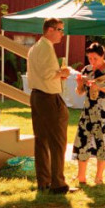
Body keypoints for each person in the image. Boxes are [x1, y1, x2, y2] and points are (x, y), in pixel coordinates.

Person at [26, 18, 75, 194]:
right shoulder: (46, 47)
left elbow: (41, 73)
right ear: (49, 30)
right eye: (60, 29)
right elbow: (48, 74)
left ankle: (44, 181)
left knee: (41, 140)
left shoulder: (34, 48)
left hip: (37, 96)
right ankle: (58, 184)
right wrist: (63, 72)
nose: (62, 33)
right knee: (58, 141)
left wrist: (58, 75)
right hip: (48, 97)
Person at [72, 42, 105, 185]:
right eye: (89, 58)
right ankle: (81, 176)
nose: (92, 61)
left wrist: (100, 87)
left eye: (95, 58)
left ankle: (99, 177)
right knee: (82, 140)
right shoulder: (87, 70)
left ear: (102, 56)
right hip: (88, 109)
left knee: (103, 142)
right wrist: (79, 84)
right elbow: (80, 92)